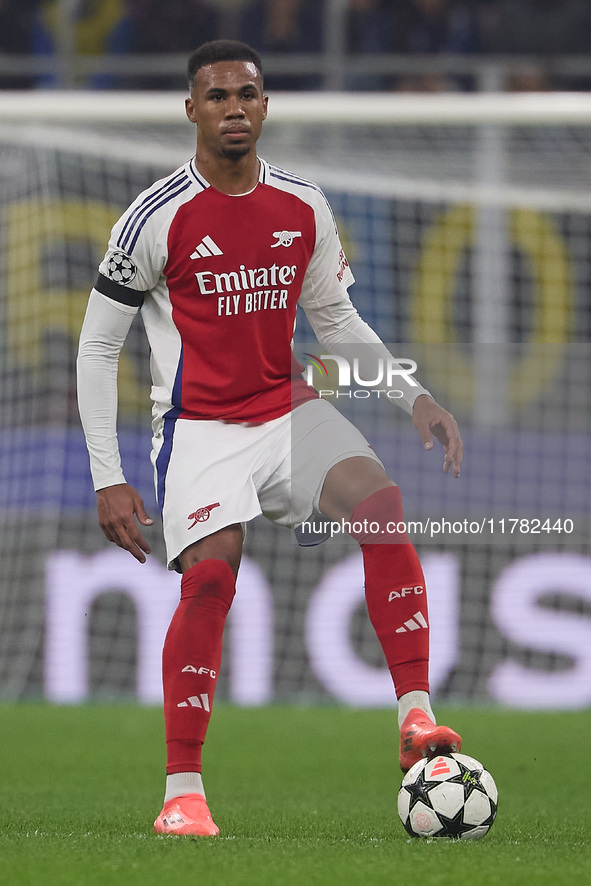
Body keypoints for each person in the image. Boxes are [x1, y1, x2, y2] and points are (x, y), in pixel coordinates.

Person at [77, 39, 464, 838]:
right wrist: (106, 476)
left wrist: (411, 395)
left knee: (381, 505)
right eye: (216, 96)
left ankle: (415, 721)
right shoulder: (155, 217)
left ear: (265, 104)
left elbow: (338, 322)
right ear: (191, 109)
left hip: (286, 407)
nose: (233, 109)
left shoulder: (302, 205)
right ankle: (183, 792)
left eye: (247, 95)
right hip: (201, 428)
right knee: (211, 578)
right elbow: (96, 347)